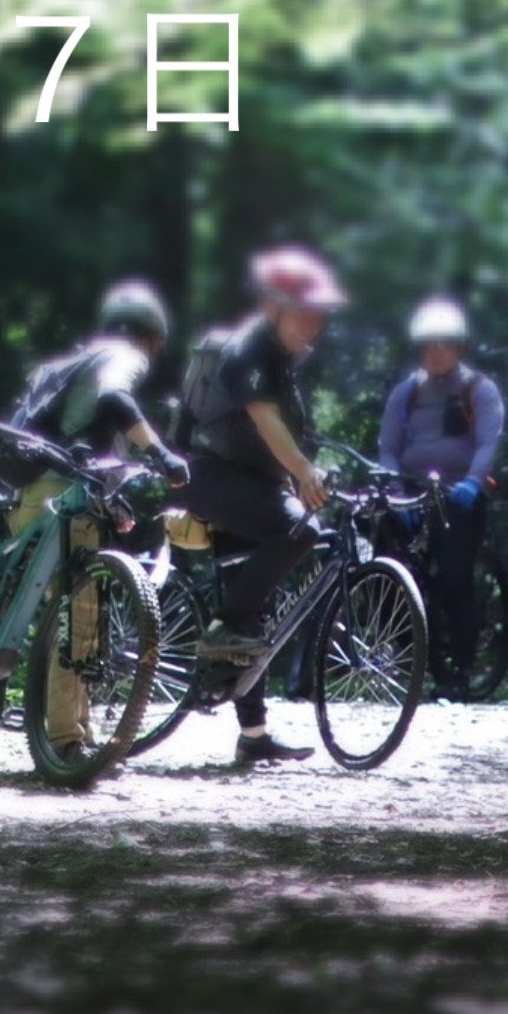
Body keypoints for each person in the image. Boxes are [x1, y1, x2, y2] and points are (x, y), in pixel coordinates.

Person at [172, 246, 349, 764]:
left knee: (258, 607)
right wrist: (304, 472)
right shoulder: (249, 352)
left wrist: (298, 477)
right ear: (272, 306)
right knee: (298, 533)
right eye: (304, 312)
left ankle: (253, 736)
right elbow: (266, 423)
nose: (315, 323)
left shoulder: (283, 362)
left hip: (249, 483)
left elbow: (280, 438)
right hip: (208, 475)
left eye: (320, 314)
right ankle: (221, 626)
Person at [5, 280, 191, 762]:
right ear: (152, 338)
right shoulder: (123, 356)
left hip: (28, 497)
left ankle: (80, 729)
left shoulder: (74, 363)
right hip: (63, 502)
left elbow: (82, 448)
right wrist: (162, 454)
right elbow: (114, 400)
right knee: (81, 613)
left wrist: (113, 504)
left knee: (72, 609)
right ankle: (65, 743)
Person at [377, 298, 506, 700]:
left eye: (444, 344)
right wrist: (396, 492)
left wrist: (473, 482)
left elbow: (488, 442)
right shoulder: (407, 392)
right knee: (398, 576)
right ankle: (415, 663)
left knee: (454, 579)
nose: (435, 352)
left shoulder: (478, 390)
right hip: (411, 494)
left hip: (459, 494)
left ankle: (461, 671)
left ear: (460, 347)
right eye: (427, 345)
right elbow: (388, 447)